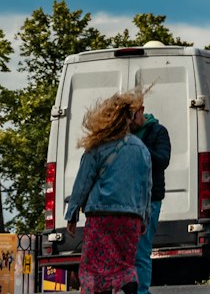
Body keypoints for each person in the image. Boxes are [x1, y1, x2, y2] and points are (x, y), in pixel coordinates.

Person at [65, 91, 151, 294]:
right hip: (130, 218)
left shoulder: (98, 146)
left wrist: (72, 213)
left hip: (101, 216)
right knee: (124, 263)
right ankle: (129, 284)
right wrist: (144, 218)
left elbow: (83, 181)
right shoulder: (142, 149)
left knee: (95, 267)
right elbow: (146, 187)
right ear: (130, 118)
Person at [130, 99, 171, 294]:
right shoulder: (125, 133)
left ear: (142, 111)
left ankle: (142, 291)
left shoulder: (158, 131)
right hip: (127, 199)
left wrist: (138, 147)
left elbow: (163, 160)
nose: (130, 120)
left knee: (142, 250)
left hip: (150, 199)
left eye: (133, 114)